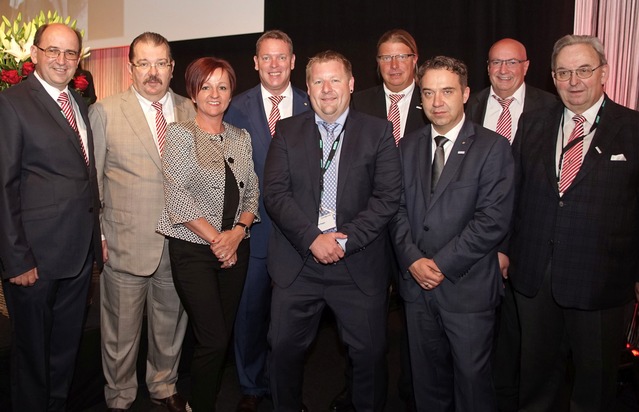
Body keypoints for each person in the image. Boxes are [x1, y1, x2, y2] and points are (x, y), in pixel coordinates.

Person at [263, 50, 401, 412]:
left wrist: (346, 239)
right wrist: (312, 238)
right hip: (299, 262)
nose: (327, 89)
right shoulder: (288, 131)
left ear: (351, 84)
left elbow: (387, 198)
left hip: (357, 261)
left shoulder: (378, 131)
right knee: (282, 350)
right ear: (307, 88)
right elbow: (275, 194)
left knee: (370, 355)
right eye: (318, 81)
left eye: (335, 79)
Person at [509, 34, 639, 412]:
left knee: (594, 389)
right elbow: (514, 196)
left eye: (584, 70)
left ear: (604, 73)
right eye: (564, 72)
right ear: (552, 77)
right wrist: (504, 252)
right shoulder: (532, 124)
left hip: (602, 282)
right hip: (535, 278)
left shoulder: (632, 128)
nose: (574, 81)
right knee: (534, 382)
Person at [389, 56, 515, 412]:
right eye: (428, 93)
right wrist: (412, 259)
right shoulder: (407, 146)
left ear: (466, 94)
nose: (437, 102)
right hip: (416, 289)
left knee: (473, 388)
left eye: (446, 91)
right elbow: (394, 210)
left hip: (468, 291)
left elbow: (491, 221)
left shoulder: (492, 148)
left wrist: (440, 264)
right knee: (427, 386)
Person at [0, 23, 103, 411]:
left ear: (79, 60)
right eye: (53, 51)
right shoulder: (11, 103)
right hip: (35, 260)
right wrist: (16, 259)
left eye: (70, 53)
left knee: (64, 351)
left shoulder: (78, 101)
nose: (62, 60)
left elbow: (85, 175)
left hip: (78, 256)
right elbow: (3, 186)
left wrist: (97, 240)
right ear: (34, 54)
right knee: (32, 357)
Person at [90, 32, 194, 412]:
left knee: (170, 326)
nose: (153, 72)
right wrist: (99, 234)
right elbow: (95, 181)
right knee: (120, 334)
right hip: (125, 243)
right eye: (144, 63)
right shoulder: (105, 110)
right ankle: (119, 396)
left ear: (172, 68)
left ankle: (163, 386)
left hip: (181, 243)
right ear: (130, 67)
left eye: (161, 63)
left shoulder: (190, 110)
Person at [330, 28, 427, 412]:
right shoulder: (360, 102)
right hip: (365, 229)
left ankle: (413, 392)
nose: (394, 64)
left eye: (402, 56)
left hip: (417, 230)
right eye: (386, 57)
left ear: (415, 60)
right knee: (360, 322)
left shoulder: (436, 99)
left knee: (416, 320)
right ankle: (358, 393)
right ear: (377, 63)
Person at [157, 56, 260, 412]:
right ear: (194, 93)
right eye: (206, 86)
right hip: (194, 252)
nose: (214, 94)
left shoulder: (241, 137)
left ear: (231, 93)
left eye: (222, 86)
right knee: (213, 339)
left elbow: (252, 195)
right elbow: (178, 196)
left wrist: (237, 234)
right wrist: (220, 240)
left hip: (236, 250)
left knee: (219, 338)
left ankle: (203, 401)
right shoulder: (180, 133)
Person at [464, 37, 556, 411]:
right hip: (471, 238)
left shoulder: (551, 108)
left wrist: (507, 246)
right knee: (479, 334)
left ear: (527, 66)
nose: (503, 70)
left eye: (512, 63)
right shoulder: (468, 105)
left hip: (528, 240)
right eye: (495, 63)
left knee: (526, 336)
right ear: (487, 68)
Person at [223, 29, 310, 412]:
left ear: (293, 62)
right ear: (255, 63)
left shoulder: (315, 105)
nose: (274, 65)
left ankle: (284, 388)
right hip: (252, 232)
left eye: (282, 57)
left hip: (299, 234)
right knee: (250, 314)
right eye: (266, 57)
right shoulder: (233, 108)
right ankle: (251, 385)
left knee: (291, 322)